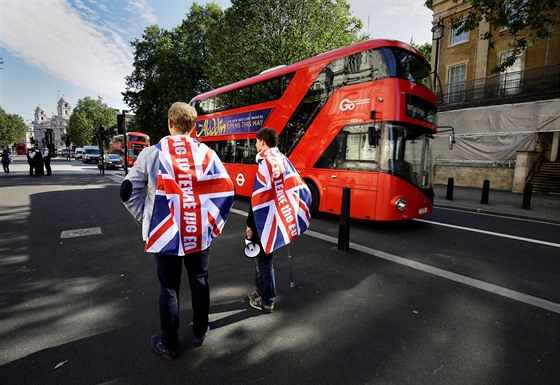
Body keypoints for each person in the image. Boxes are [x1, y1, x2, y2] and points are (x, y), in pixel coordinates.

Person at [120, 102, 234, 361]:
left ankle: (169, 345)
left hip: (165, 233)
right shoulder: (207, 153)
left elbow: (126, 191)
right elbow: (226, 190)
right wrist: (211, 223)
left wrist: (147, 220)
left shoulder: (152, 154)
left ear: (169, 123)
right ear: (194, 127)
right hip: (198, 233)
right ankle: (200, 332)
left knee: (169, 289)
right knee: (200, 281)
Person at [246, 127, 312, 313]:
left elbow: (257, 198)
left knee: (264, 260)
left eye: (257, 142)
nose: (256, 145)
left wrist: (250, 224)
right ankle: (260, 291)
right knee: (262, 256)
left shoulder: (265, 162)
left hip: (265, 218)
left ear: (263, 142)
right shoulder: (282, 159)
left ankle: (267, 300)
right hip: (275, 216)